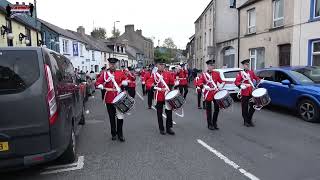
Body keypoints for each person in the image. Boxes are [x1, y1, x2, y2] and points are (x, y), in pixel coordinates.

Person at [95, 58, 128, 142]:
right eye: (111, 64)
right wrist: (100, 86)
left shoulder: (120, 72)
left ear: (116, 64)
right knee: (111, 117)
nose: (112, 65)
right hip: (109, 98)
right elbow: (98, 82)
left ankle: (120, 134)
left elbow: (126, 79)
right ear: (109, 64)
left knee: (120, 116)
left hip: (119, 97)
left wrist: (125, 82)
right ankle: (113, 133)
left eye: (114, 64)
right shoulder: (105, 74)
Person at [146, 58, 175, 135]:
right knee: (159, 113)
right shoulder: (154, 75)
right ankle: (161, 128)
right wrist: (153, 86)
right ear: (157, 65)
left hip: (167, 96)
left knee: (169, 113)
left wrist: (170, 88)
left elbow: (172, 82)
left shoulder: (168, 74)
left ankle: (169, 128)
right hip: (158, 97)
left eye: (163, 65)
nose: (161, 66)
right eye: (160, 64)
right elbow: (148, 83)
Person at [199, 60, 224, 130]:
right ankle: (209, 124)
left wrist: (222, 85)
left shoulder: (216, 73)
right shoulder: (204, 75)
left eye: (212, 65)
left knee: (217, 109)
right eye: (210, 65)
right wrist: (203, 86)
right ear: (207, 66)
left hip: (215, 93)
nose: (211, 67)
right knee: (209, 110)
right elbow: (199, 82)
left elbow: (221, 82)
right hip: (208, 94)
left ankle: (214, 122)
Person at [235, 59, 261, 127]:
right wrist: (240, 85)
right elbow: (236, 82)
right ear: (243, 65)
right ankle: (245, 121)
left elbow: (257, 78)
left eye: (248, 64)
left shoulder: (251, 72)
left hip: (251, 92)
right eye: (246, 64)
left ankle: (249, 119)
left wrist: (259, 81)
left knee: (254, 106)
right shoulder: (240, 73)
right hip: (244, 92)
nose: (247, 66)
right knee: (244, 107)